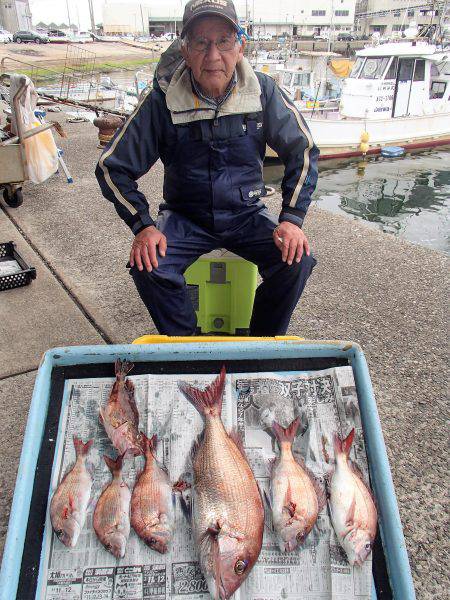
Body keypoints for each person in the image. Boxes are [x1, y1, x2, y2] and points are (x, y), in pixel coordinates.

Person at [95, 0, 319, 336]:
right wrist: (143, 225)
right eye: (201, 42)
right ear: (184, 49)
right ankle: (189, 347)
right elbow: (111, 168)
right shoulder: (161, 100)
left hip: (246, 214)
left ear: (239, 46)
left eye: (223, 42)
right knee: (148, 266)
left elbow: (303, 151)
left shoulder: (263, 92)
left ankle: (259, 348)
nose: (213, 56)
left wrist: (291, 219)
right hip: (185, 217)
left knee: (296, 261)